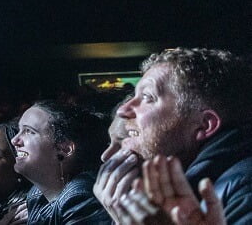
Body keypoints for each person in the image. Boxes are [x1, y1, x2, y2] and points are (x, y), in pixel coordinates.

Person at [93, 48, 252, 223]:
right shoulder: (194, 186)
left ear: (204, 125)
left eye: (147, 97)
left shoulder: (245, 191)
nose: (123, 110)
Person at [11, 101, 110, 224]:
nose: (14, 140)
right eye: (19, 130)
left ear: (65, 149)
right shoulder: (37, 197)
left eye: (29, 131)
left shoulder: (80, 196)